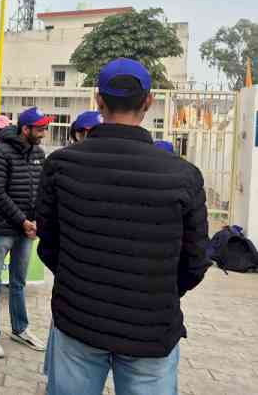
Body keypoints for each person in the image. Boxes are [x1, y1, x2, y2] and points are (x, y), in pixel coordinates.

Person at [36, 58, 210, 395]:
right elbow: (195, 261)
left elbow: (49, 244)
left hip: (79, 320)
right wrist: (156, 292)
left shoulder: (61, 165)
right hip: (151, 329)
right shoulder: (183, 175)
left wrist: (80, 282)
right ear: (148, 102)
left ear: (98, 100)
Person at [0, 106, 51, 358]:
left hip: (26, 229)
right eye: (40, 128)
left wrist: (36, 221)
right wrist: (22, 221)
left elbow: (41, 192)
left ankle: (20, 329)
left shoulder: (39, 154)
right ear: (25, 128)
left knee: (18, 282)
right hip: (4, 228)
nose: (44, 133)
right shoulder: (0, 152)